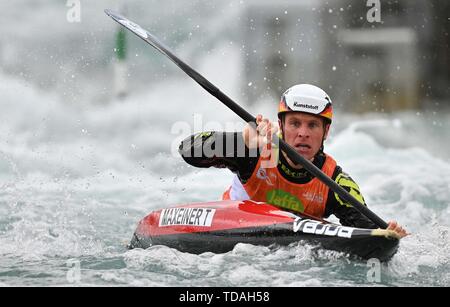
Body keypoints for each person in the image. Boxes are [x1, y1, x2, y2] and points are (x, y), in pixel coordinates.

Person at [179, 84, 408, 237]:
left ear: (326, 132)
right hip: (234, 239)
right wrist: (242, 142)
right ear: (282, 126)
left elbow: (368, 234)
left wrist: (390, 235)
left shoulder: (336, 183)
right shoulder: (255, 151)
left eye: (313, 125)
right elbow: (187, 149)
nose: (303, 133)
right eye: (295, 123)